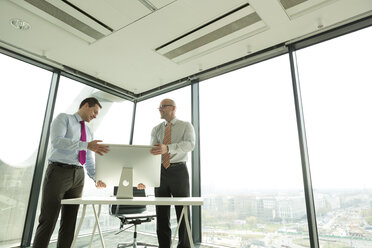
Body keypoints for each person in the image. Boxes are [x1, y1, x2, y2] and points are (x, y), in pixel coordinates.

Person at [33, 97, 109, 248]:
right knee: (48, 219)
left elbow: (88, 158)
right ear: (86, 105)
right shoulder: (64, 118)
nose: (95, 116)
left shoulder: (88, 131)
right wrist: (86, 145)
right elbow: (57, 141)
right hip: (58, 172)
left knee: (70, 221)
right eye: (94, 112)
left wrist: (95, 178)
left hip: (78, 176)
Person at [148, 98, 195, 248]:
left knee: (183, 212)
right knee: (161, 213)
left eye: (162, 107)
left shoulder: (186, 126)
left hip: (179, 171)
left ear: (173, 108)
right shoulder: (156, 129)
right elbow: (152, 150)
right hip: (160, 171)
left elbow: (190, 144)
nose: (159, 109)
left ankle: (184, 246)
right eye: (159, 107)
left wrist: (167, 148)